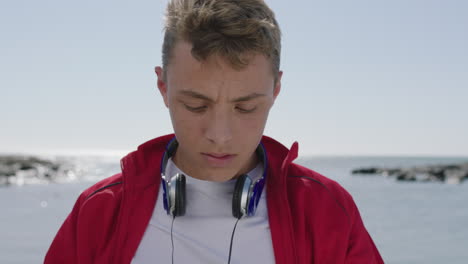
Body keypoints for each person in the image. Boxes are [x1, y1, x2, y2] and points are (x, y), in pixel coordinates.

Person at [45, 0, 384, 263]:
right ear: (163, 86)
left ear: (276, 89)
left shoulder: (327, 211)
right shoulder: (99, 213)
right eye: (196, 105)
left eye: (245, 107)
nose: (220, 135)